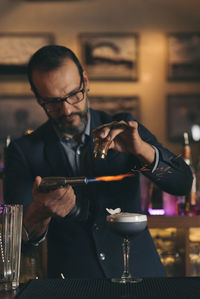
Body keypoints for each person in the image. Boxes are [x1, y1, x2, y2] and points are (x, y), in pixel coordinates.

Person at [4, 45, 193, 279]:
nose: (66, 110)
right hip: (72, 284)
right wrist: (41, 213)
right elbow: (16, 241)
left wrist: (142, 150)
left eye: (74, 94)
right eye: (52, 102)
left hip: (141, 277)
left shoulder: (124, 127)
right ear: (38, 98)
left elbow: (182, 183)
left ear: (85, 80)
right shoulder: (23, 152)